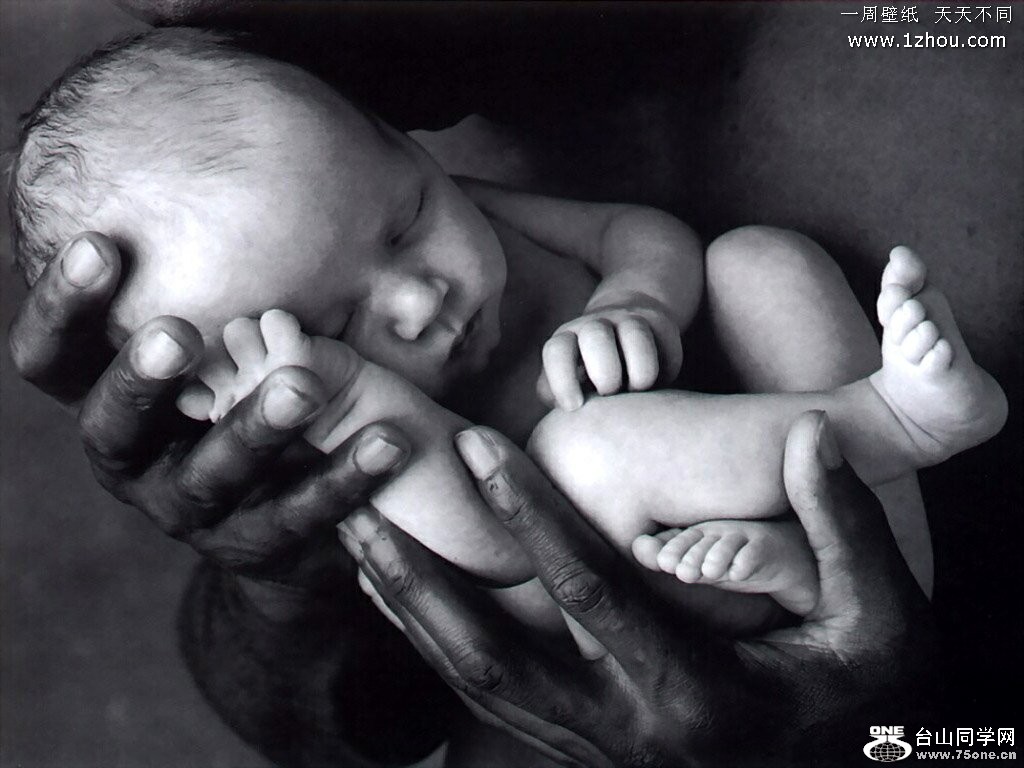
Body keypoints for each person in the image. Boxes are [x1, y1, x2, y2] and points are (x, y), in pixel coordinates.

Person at [8, 29, 1005, 627]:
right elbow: (498, 547)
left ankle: (881, 554)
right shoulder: (337, 424)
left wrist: (637, 299)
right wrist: (356, 400)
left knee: (757, 261)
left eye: (407, 220)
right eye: (337, 323)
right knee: (585, 447)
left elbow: (632, 232)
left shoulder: (452, 202)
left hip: (767, 441)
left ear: (406, 151)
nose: (417, 296)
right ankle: (895, 437)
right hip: (630, 577)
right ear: (222, 387)